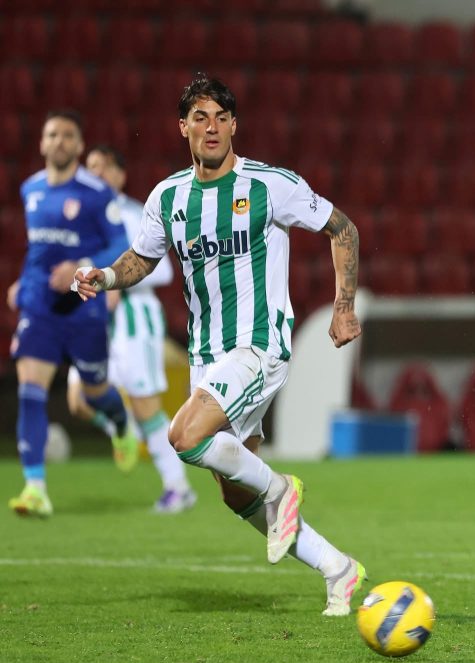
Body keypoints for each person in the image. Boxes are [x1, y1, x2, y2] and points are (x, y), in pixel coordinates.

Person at [73, 75, 365, 615]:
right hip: (206, 354)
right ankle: (337, 567)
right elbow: (142, 258)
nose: (211, 127)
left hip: (259, 345)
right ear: (182, 127)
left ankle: (281, 489)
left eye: (221, 118)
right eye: (200, 117)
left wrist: (343, 306)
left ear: (234, 126)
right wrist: (106, 277)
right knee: (234, 490)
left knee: (183, 435)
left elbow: (342, 229)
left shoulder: (269, 185)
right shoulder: (168, 197)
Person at [7, 110, 135, 519]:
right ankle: (35, 488)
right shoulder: (31, 189)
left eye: (66, 135)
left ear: (79, 145)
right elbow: (40, 249)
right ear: (42, 143)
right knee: (30, 389)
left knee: (95, 390)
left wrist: (80, 265)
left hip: (84, 305)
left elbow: (120, 244)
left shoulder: (97, 193)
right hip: (41, 307)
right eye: (51, 134)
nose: (58, 141)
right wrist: (23, 283)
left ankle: (119, 421)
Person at [66, 144, 197, 513]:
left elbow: (164, 270)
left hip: (134, 318)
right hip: (92, 321)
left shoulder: (133, 213)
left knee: (146, 406)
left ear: (120, 175)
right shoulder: (78, 218)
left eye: (104, 166)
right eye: (90, 167)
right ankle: (120, 428)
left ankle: (178, 488)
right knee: (78, 400)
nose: (96, 173)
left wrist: (115, 283)